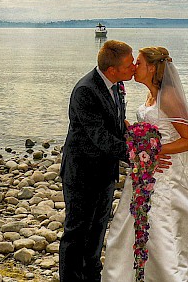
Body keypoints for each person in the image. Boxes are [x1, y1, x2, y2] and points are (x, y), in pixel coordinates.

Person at [101, 46, 188, 282]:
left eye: (139, 63)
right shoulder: (151, 95)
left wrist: (153, 150)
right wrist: (136, 139)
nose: (134, 67)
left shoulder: (170, 96)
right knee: (127, 228)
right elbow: (150, 130)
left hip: (163, 175)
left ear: (152, 68)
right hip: (144, 172)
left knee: (163, 234)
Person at [60, 40, 137, 282]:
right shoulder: (86, 90)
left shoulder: (117, 85)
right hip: (82, 173)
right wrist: (136, 154)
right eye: (129, 64)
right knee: (76, 233)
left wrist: (135, 135)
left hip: (105, 173)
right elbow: (99, 136)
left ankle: (91, 277)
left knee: (97, 231)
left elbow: (115, 125)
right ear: (112, 70)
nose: (134, 67)